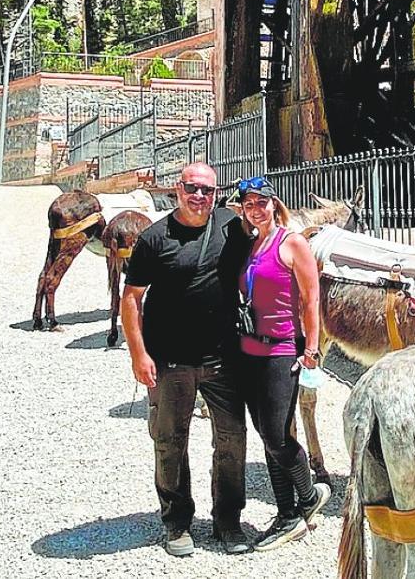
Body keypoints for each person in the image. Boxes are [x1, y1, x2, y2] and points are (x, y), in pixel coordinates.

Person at [120, 162, 252, 556]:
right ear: (177, 189)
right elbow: (131, 298)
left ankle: (228, 521)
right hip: (170, 359)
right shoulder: (154, 238)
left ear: (217, 194)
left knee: (231, 441)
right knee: (170, 443)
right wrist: (138, 353)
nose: (200, 196)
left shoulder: (231, 226)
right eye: (192, 188)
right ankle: (177, 522)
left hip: (223, 359)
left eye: (208, 191)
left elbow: (272, 242)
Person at [234, 176, 332, 551]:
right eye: (249, 204)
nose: (256, 209)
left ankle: (307, 497)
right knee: (267, 434)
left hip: (281, 351)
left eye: (262, 202)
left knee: (276, 434)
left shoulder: (291, 243)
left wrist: (311, 349)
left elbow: (311, 300)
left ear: (275, 204)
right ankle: (287, 512)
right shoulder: (250, 244)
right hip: (250, 350)